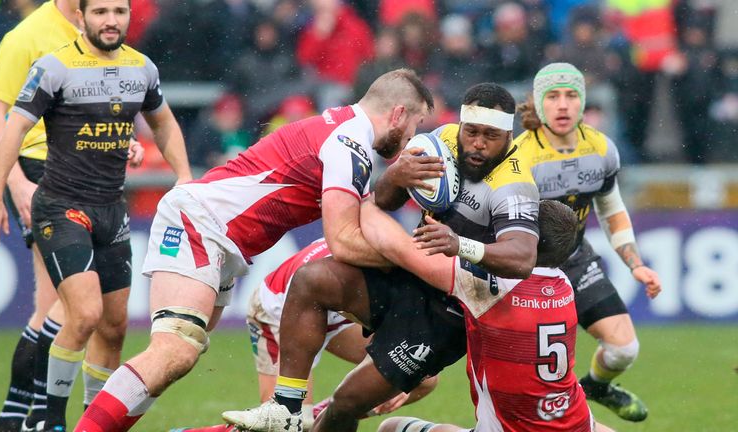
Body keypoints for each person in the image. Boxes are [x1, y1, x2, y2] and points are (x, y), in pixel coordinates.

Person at [72, 68, 434, 432]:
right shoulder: (350, 143)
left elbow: (367, 221)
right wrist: (421, 261)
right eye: (414, 125)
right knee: (176, 348)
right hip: (202, 222)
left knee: (182, 352)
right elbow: (342, 240)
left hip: (223, 239)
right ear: (398, 114)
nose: (409, 137)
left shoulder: (346, 133)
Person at [222, 83, 541, 432]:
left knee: (346, 404)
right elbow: (384, 200)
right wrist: (396, 176)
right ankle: (285, 407)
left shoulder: (514, 183)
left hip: (445, 315)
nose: (478, 143)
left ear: (508, 136)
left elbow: (522, 257)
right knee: (312, 280)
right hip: (408, 277)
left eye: (490, 136)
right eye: (472, 131)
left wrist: (460, 244)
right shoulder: (444, 140)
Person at [0, 0, 192, 431]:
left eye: (119, 11)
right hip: (59, 203)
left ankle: (90, 422)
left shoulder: (141, 68)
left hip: (112, 208)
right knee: (81, 313)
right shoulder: (49, 62)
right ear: (82, 16)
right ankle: (47, 418)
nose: (110, 20)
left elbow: (160, 122)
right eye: (100, 12)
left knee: (112, 328)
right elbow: (8, 124)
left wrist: (184, 176)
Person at [361, 200, 615, 432]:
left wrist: (365, 200)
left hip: (507, 429)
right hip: (573, 419)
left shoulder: (491, 286)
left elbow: (396, 247)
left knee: (391, 428)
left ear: (530, 239)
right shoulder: (564, 285)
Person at [515, 62, 662, 422]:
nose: (562, 105)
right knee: (530, 369)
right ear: (538, 102)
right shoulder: (519, 156)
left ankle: (596, 387)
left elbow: (611, 208)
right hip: (523, 270)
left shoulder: (601, 148)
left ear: (582, 102)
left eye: (571, 96)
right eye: (552, 97)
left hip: (577, 258)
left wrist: (636, 263)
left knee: (624, 349)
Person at [173, 238, 437, 432]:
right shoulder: (378, 259)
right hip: (277, 314)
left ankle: (332, 410)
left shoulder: (387, 252)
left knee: (422, 377)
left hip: (336, 314)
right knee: (288, 425)